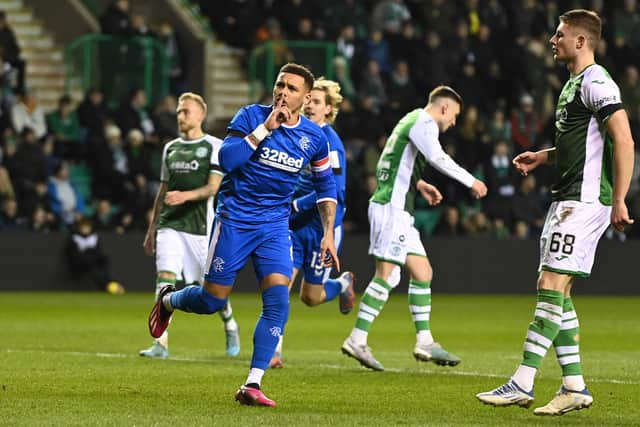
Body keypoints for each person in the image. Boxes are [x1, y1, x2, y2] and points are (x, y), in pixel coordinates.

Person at [146, 63, 339, 407]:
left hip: (275, 226)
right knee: (212, 301)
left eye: (292, 89)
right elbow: (228, 158)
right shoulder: (251, 115)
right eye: (280, 84)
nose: (283, 92)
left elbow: (326, 187)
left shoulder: (315, 138)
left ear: (306, 97)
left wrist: (327, 233)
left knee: (279, 300)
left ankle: (253, 383)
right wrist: (265, 129)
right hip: (235, 218)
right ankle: (168, 300)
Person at [476, 9, 635, 416]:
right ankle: (574, 386)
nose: (553, 40)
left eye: (560, 34)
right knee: (558, 290)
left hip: (583, 203)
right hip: (565, 197)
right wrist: (542, 157)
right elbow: (582, 144)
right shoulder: (572, 85)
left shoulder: (597, 81)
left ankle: (523, 381)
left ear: (581, 41)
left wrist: (619, 198)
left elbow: (623, 138)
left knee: (550, 282)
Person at [341, 85, 488, 371]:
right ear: (444, 107)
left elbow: (392, 159)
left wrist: (419, 184)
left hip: (400, 210)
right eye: (454, 115)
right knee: (387, 275)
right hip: (390, 208)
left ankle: (424, 340)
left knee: (423, 272)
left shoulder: (410, 120)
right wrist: (471, 181)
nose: (454, 122)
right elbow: (437, 157)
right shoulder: (424, 121)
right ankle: (357, 339)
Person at [139, 92, 240, 360]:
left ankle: (230, 324)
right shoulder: (170, 148)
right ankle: (160, 343)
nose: (181, 116)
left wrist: (184, 196)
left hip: (200, 228)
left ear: (201, 115)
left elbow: (213, 187)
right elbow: (162, 192)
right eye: (179, 112)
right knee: (165, 280)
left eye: (186, 111)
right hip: (169, 224)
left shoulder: (214, 146)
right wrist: (152, 229)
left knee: (212, 289)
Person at [269, 78, 355, 369]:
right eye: (309, 100)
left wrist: (297, 203)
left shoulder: (331, 143)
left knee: (311, 296)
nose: (310, 106)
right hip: (292, 226)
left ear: (328, 110)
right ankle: (274, 350)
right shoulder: (295, 134)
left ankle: (342, 283)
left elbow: (335, 190)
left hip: (322, 230)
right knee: (280, 283)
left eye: (317, 102)